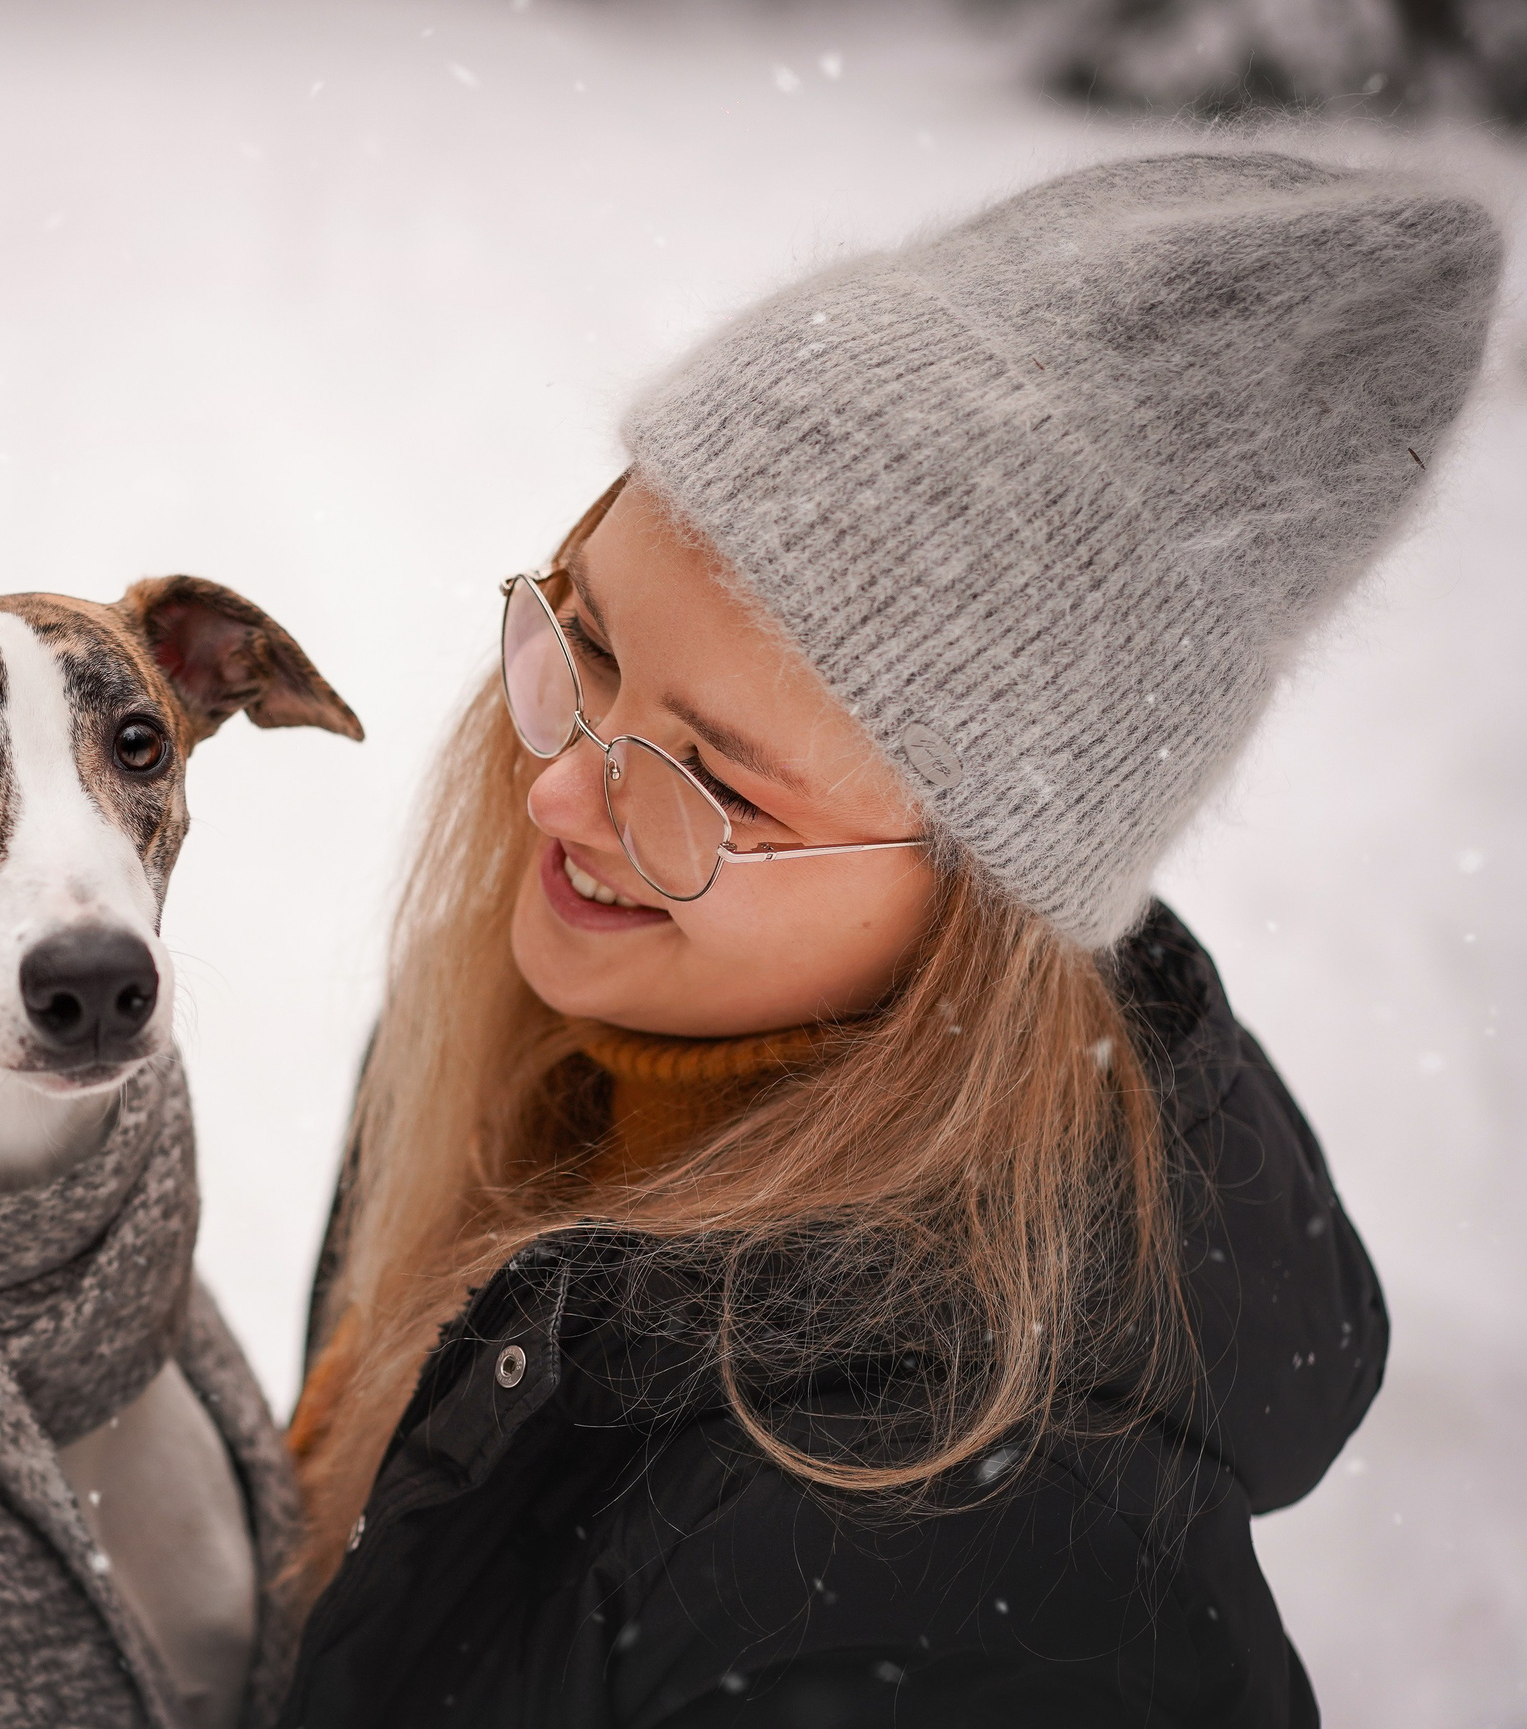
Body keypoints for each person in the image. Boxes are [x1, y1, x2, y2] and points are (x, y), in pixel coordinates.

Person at [280, 153, 1499, 1727]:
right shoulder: (534, 1046)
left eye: (711, 780)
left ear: (981, 905)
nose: (560, 785)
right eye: (583, 640)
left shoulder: (962, 1579)